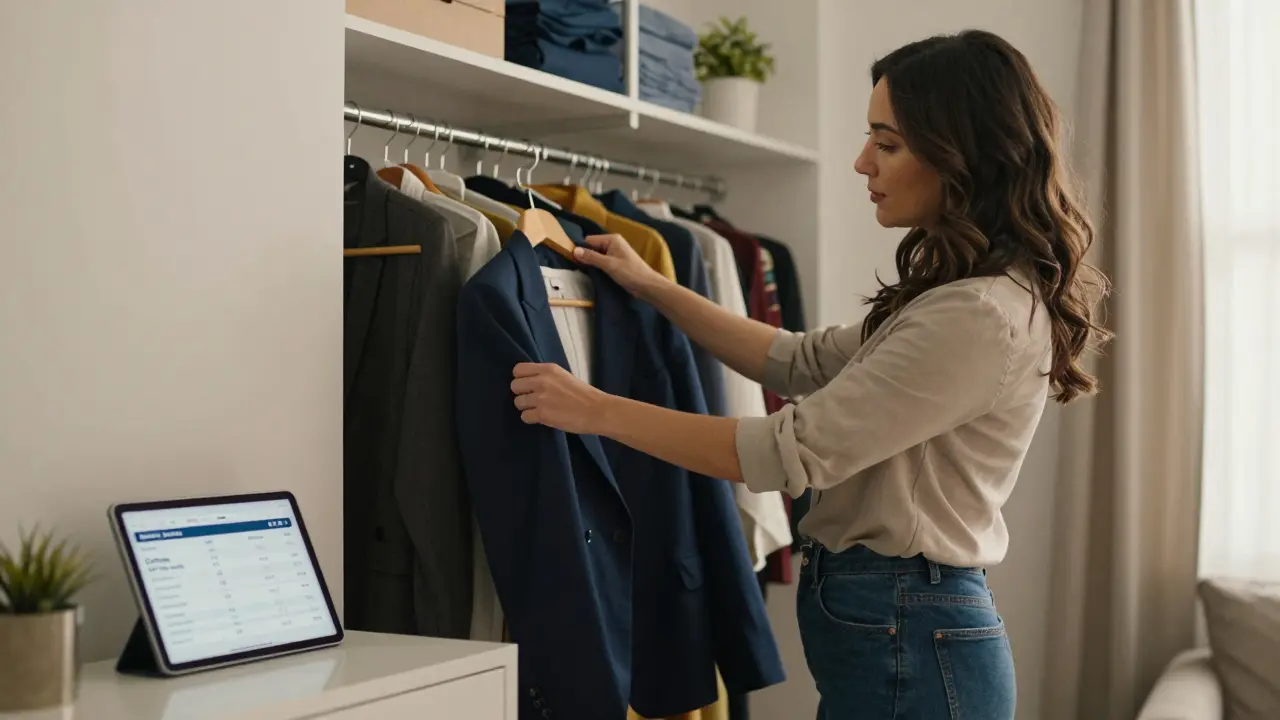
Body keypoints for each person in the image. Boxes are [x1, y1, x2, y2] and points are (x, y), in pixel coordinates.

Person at [509, 29, 1111, 720]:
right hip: (902, 625)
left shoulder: (978, 316)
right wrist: (654, 285)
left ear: (962, 156)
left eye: (887, 144)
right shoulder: (961, 298)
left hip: (911, 631)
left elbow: (778, 452)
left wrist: (591, 410)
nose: (861, 163)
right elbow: (796, 359)